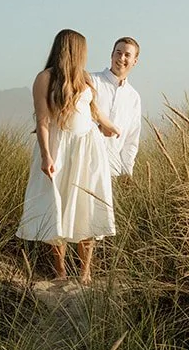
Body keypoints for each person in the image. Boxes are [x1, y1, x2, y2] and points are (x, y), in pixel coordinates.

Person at [17, 29, 120, 284]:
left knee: (87, 204)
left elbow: (93, 111)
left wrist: (109, 126)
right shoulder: (45, 78)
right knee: (57, 205)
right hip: (59, 147)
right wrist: (46, 156)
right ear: (72, 49)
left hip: (87, 149)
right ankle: (60, 270)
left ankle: (86, 272)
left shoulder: (84, 78)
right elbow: (42, 120)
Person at [91, 36, 142, 176]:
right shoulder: (92, 81)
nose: (121, 58)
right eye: (118, 53)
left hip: (113, 171)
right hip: (85, 165)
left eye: (127, 55)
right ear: (111, 55)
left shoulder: (133, 97)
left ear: (135, 61)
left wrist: (127, 171)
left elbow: (131, 139)